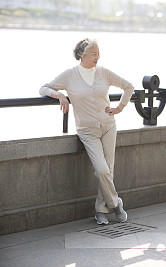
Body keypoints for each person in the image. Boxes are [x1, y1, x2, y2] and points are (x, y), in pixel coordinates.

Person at [39, 38, 135, 225]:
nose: (98, 57)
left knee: (108, 171)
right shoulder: (69, 75)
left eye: (99, 54)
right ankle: (116, 204)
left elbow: (128, 86)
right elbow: (43, 88)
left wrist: (119, 108)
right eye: (94, 54)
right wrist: (59, 95)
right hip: (87, 130)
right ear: (82, 55)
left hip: (109, 126)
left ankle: (100, 211)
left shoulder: (104, 72)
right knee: (101, 170)